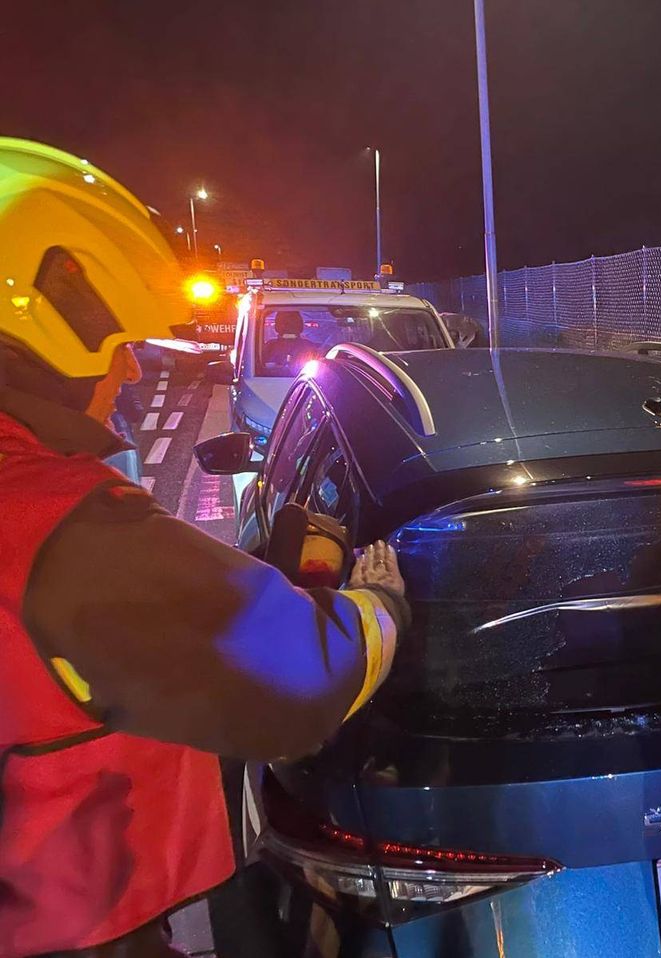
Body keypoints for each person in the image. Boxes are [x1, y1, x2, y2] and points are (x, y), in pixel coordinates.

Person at [0, 139, 408, 956]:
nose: (127, 376)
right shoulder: (50, 520)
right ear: (45, 337)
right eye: (115, 349)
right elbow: (294, 673)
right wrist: (381, 605)